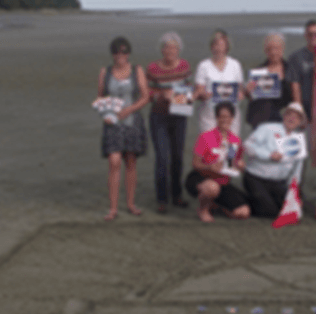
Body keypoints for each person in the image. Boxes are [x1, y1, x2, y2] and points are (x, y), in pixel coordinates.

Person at [96, 36, 149, 221]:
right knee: (114, 161)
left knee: (131, 163)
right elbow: (101, 97)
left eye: (124, 52)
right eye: (117, 52)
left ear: (129, 54)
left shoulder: (137, 70)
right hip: (112, 124)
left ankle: (131, 204)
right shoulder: (105, 72)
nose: (121, 56)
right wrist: (105, 114)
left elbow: (145, 96)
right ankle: (112, 208)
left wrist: (130, 109)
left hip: (132, 121)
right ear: (112, 54)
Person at [146, 31, 191, 213]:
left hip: (179, 113)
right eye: (166, 47)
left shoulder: (185, 66)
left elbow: (188, 89)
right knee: (162, 157)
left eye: (173, 47)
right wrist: (159, 95)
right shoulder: (153, 69)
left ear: (178, 50)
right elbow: (146, 92)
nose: (170, 51)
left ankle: (177, 195)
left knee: (178, 157)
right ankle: (162, 199)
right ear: (161, 50)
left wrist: (188, 96)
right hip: (159, 116)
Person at [185, 101, 251, 223]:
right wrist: (210, 167)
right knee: (212, 187)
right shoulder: (205, 137)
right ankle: (203, 209)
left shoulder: (235, 141)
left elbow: (233, 164)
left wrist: (239, 166)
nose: (224, 119)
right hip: (201, 178)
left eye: (227, 116)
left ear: (232, 118)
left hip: (223, 183)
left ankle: (216, 206)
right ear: (216, 118)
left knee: (243, 212)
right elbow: (195, 164)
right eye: (221, 116)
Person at [242, 102, 307, 218]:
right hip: (256, 178)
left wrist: (295, 192)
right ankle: (244, 202)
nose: (292, 118)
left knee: (289, 210)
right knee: (269, 212)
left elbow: (298, 168)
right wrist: (268, 155)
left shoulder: (298, 140)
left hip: (279, 182)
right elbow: (247, 145)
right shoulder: (267, 128)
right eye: (289, 114)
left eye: (297, 117)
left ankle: (262, 200)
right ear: (284, 116)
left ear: (300, 122)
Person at [194, 29, 244, 136]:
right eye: (215, 44)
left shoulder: (235, 65)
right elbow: (199, 90)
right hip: (210, 115)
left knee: (231, 149)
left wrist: (240, 94)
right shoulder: (204, 66)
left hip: (231, 115)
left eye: (222, 45)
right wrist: (204, 94)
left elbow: (240, 89)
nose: (218, 48)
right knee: (209, 148)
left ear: (227, 46)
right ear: (211, 46)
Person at [244, 32, 293, 129]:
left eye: (276, 48)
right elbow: (251, 98)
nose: (273, 52)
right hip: (261, 120)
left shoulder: (290, 69)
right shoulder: (258, 71)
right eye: (269, 49)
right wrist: (248, 92)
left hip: (284, 119)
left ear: (282, 49)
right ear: (265, 51)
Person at [285, 19, 316, 122]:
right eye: (310, 34)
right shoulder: (296, 57)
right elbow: (295, 85)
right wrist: (299, 111)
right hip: (306, 109)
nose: (313, 37)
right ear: (305, 35)